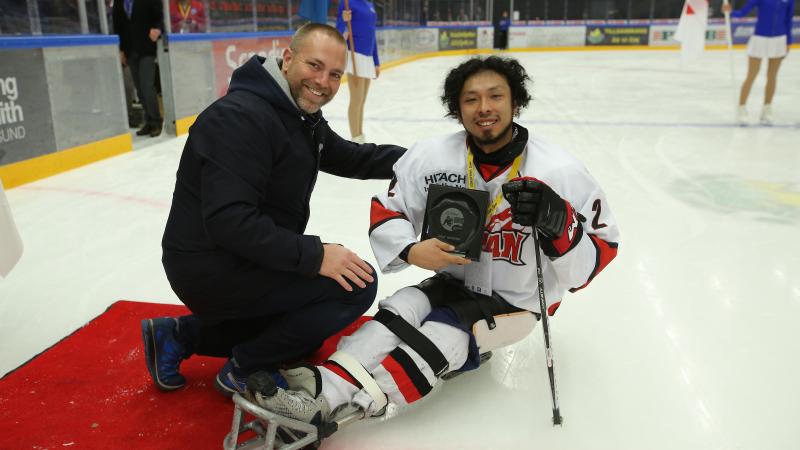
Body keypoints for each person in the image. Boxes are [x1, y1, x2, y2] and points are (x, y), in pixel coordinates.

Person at [244, 56, 621, 428]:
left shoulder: (559, 170)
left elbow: (598, 253)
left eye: (495, 96)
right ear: (457, 109)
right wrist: (409, 248)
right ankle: (326, 389)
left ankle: (350, 407)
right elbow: (388, 210)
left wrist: (559, 220)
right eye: (471, 99)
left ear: (515, 102)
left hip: (515, 302)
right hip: (451, 283)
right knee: (401, 307)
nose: (484, 108)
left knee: (443, 333)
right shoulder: (431, 155)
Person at [141, 24, 406, 396]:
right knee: (353, 286)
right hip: (209, 265)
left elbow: (350, 157)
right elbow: (230, 222)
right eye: (314, 66)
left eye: (334, 74)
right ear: (287, 59)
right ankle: (246, 367)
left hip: (243, 256)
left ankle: (180, 335)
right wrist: (315, 257)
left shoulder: (295, 114)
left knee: (302, 338)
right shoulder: (239, 119)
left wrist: (418, 162)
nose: (323, 82)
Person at [723, 0, 794, 125]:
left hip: (779, 39)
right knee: (752, 75)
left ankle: (767, 108)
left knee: (772, 76)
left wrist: (789, 41)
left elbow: (788, 20)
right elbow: (743, 12)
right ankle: (742, 108)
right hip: (760, 38)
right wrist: (730, 12)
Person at [113, 0, 164, 137]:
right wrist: (121, 50)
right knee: (139, 88)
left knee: (147, 85)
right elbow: (117, 25)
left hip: (147, 48)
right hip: (130, 49)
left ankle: (156, 121)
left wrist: (158, 29)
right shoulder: (119, 2)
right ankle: (148, 120)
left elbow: (159, 16)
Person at [336, 0, 379, 144]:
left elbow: (372, 33)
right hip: (355, 54)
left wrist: (376, 61)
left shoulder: (369, 4)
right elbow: (339, 34)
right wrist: (343, 21)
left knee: (362, 100)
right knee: (356, 100)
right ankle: (356, 138)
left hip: (367, 58)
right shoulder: (347, 3)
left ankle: (360, 136)